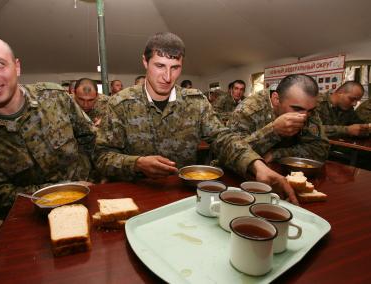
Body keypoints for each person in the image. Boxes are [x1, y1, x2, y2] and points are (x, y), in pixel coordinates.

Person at [93, 32, 298, 204]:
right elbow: (102, 157)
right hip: (138, 195)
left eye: (175, 68)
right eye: (160, 66)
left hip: (185, 196)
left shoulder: (196, 102)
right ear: (145, 62)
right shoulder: (120, 104)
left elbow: (223, 139)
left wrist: (257, 165)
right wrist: (136, 164)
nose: (167, 77)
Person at [0, 33, 96, 220]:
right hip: (30, 218)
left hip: (88, 201)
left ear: (17, 67)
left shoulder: (55, 98)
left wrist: (94, 179)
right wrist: (72, 189)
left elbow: (90, 139)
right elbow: (0, 201)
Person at [221, 74, 329, 174]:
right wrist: (273, 131)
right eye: (297, 109)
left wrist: (277, 154)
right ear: (276, 99)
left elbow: (320, 150)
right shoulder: (248, 110)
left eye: (310, 111)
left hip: (286, 173)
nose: (304, 116)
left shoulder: (306, 108)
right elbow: (229, 154)